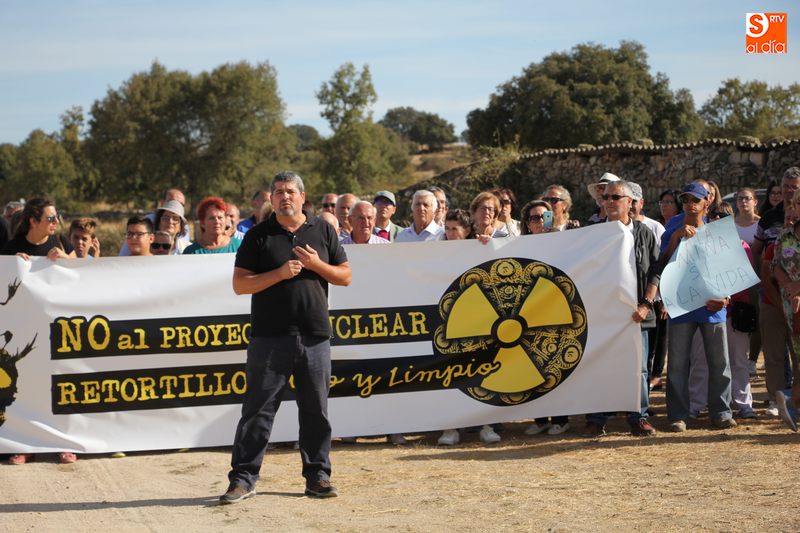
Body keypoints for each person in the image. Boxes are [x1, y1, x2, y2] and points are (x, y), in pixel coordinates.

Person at [221, 170, 351, 504]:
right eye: (277, 191)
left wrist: (317, 265)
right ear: (271, 198)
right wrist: (279, 273)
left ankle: (318, 476)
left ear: (302, 197)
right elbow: (240, 284)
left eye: (290, 190)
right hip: (269, 338)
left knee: (315, 411)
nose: (284, 196)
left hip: (315, 337)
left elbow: (345, 276)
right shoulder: (259, 235)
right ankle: (243, 479)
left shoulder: (322, 230)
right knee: (258, 411)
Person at [655, 183, 736, 432]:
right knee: (678, 364)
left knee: (719, 362)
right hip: (681, 306)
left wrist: (725, 299)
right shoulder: (672, 231)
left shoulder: (718, 232)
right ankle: (678, 415)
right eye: (686, 199)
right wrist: (676, 238)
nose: (690, 203)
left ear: (706, 203)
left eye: (696, 199)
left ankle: (721, 412)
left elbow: (731, 271)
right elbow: (662, 266)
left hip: (713, 307)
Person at [2, 198, 76, 464]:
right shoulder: (12, 247)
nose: (56, 223)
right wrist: (11, 262)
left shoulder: (61, 244)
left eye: (57, 218)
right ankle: (23, 446)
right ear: (33, 221)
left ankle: (63, 443)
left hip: (57, 332)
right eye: (51, 218)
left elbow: (81, 272)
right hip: (23, 334)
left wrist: (66, 259)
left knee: (59, 387)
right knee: (26, 389)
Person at [582, 181, 659, 437]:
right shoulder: (590, 232)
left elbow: (655, 271)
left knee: (639, 368)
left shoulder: (644, 232)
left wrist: (647, 304)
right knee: (599, 365)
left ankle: (639, 417)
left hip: (637, 313)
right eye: (606, 197)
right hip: (601, 313)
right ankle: (596, 418)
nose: (610, 201)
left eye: (616, 196)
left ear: (630, 202)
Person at [436, 207, 502, 446]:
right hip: (448, 322)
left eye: (455, 229)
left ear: (466, 230)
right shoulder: (434, 250)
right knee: (451, 373)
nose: (450, 233)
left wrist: (486, 243)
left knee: (481, 372)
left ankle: (486, 425)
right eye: (447, 228)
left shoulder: (478, 246)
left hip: (479, 319)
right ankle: (450, 428)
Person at [517, 199, 572, 436]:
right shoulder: (518, 245)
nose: (539, 221)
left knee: (554, 364)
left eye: (543, 216)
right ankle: (540, 419)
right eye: (533, 218)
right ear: (527, 224)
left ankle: (561, 418)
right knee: (533, 366)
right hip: (527, 315)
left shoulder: (563, 242)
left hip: (556, 312)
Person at [119, 188, 187, 255]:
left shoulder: (186, 249)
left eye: (175, 219)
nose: (170, 221)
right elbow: (124, 256)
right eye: (165, 218)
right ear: (158, 221)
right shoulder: (144, 225)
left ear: (181, 225)